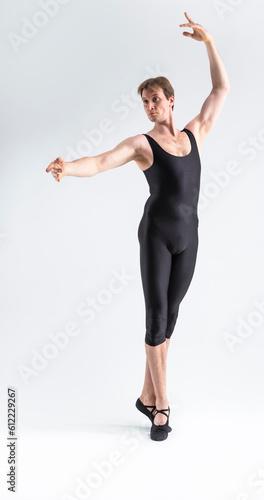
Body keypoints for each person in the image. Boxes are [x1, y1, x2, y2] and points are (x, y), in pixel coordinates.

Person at [46, 12, 230, 441]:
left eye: (155, 99)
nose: (150, 106)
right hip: (157, 237)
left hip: (190, 237)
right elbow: (99, 162)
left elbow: (221, 89)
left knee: (171, 320)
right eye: (144, 101)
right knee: (155, 319)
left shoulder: (194, 133)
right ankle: (161, 409)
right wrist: (67, 167)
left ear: (170, 100)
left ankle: (147, 395)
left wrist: (209, 42)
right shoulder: (141, 145)